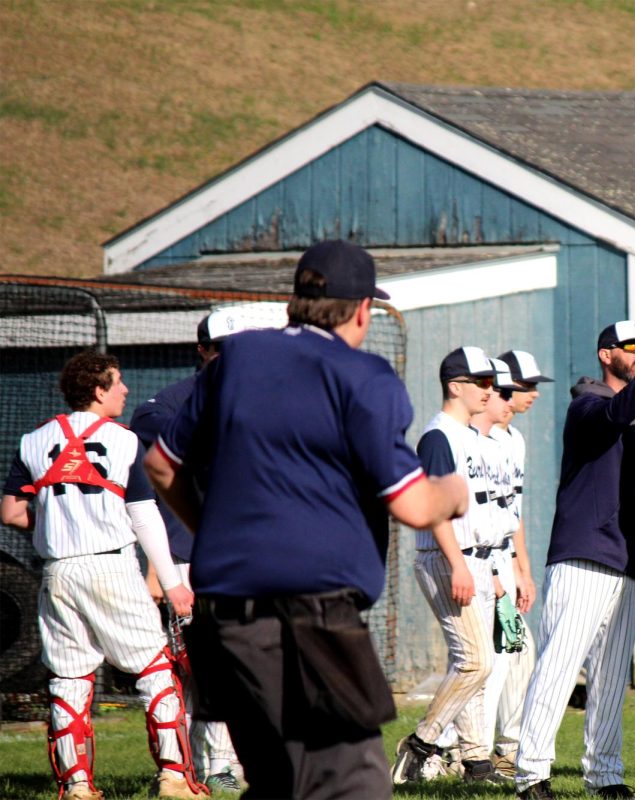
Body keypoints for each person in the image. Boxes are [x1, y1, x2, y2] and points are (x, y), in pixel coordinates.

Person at [143, 239, 468, 800]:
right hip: (310, 616)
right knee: (353, 785)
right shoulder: (362, 375)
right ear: (363, 309)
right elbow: (413, 505)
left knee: (277, 782)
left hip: (224, 619)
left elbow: (160, 466)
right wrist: (453, 492)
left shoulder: (234, 360)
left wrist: (215, 533)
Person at [2, 350, 203, 800]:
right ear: (98, 390)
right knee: (155, 669)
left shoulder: (33, 440)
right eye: (118, 383)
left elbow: (12, 513)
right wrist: (172, 583)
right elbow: (144, 515)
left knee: (69, 679)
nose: (125, 390)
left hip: (58, 572)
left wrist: (56, 524)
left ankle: (76, 785)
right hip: (110, 565)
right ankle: (174, 778)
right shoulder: (126, 440)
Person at [515, 321, 635, 800]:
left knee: (613, 678)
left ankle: (604, 774)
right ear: (605, 354)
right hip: (584, 556)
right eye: (633, 348)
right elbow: (615, 413)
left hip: (628, 560)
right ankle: (531, 773)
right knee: (559, 666)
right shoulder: (587, 405)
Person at [130, 311, 247, 794]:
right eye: (220, 347)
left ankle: (235, 761)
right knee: (204, 669)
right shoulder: (169, 405)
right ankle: (211, 763)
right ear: (203, 351)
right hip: (187, 556)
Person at [392, 346, 507, 785]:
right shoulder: (439, 436)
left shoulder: (472, 437)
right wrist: (459, 565)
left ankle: (476, 764)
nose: (488, 389)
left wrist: (492, 570)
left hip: (472, 558)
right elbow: (436, 509)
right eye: (480, 382)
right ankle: (421, 744)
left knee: (474, 662)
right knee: (476, 661)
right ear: (455, 386)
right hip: (446, 557)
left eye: (490, 382)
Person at [489, 349, 553, 777]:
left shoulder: (515, 439)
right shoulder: (478, 436)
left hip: (504, 556)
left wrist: (523, 570)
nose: (531, 394)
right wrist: (496, 576)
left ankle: (500, 750)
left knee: (516, 652)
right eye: (524, 386)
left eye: (533, 386)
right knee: (491, 660)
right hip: (479, 557)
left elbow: (514, 513)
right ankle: (449, 747)